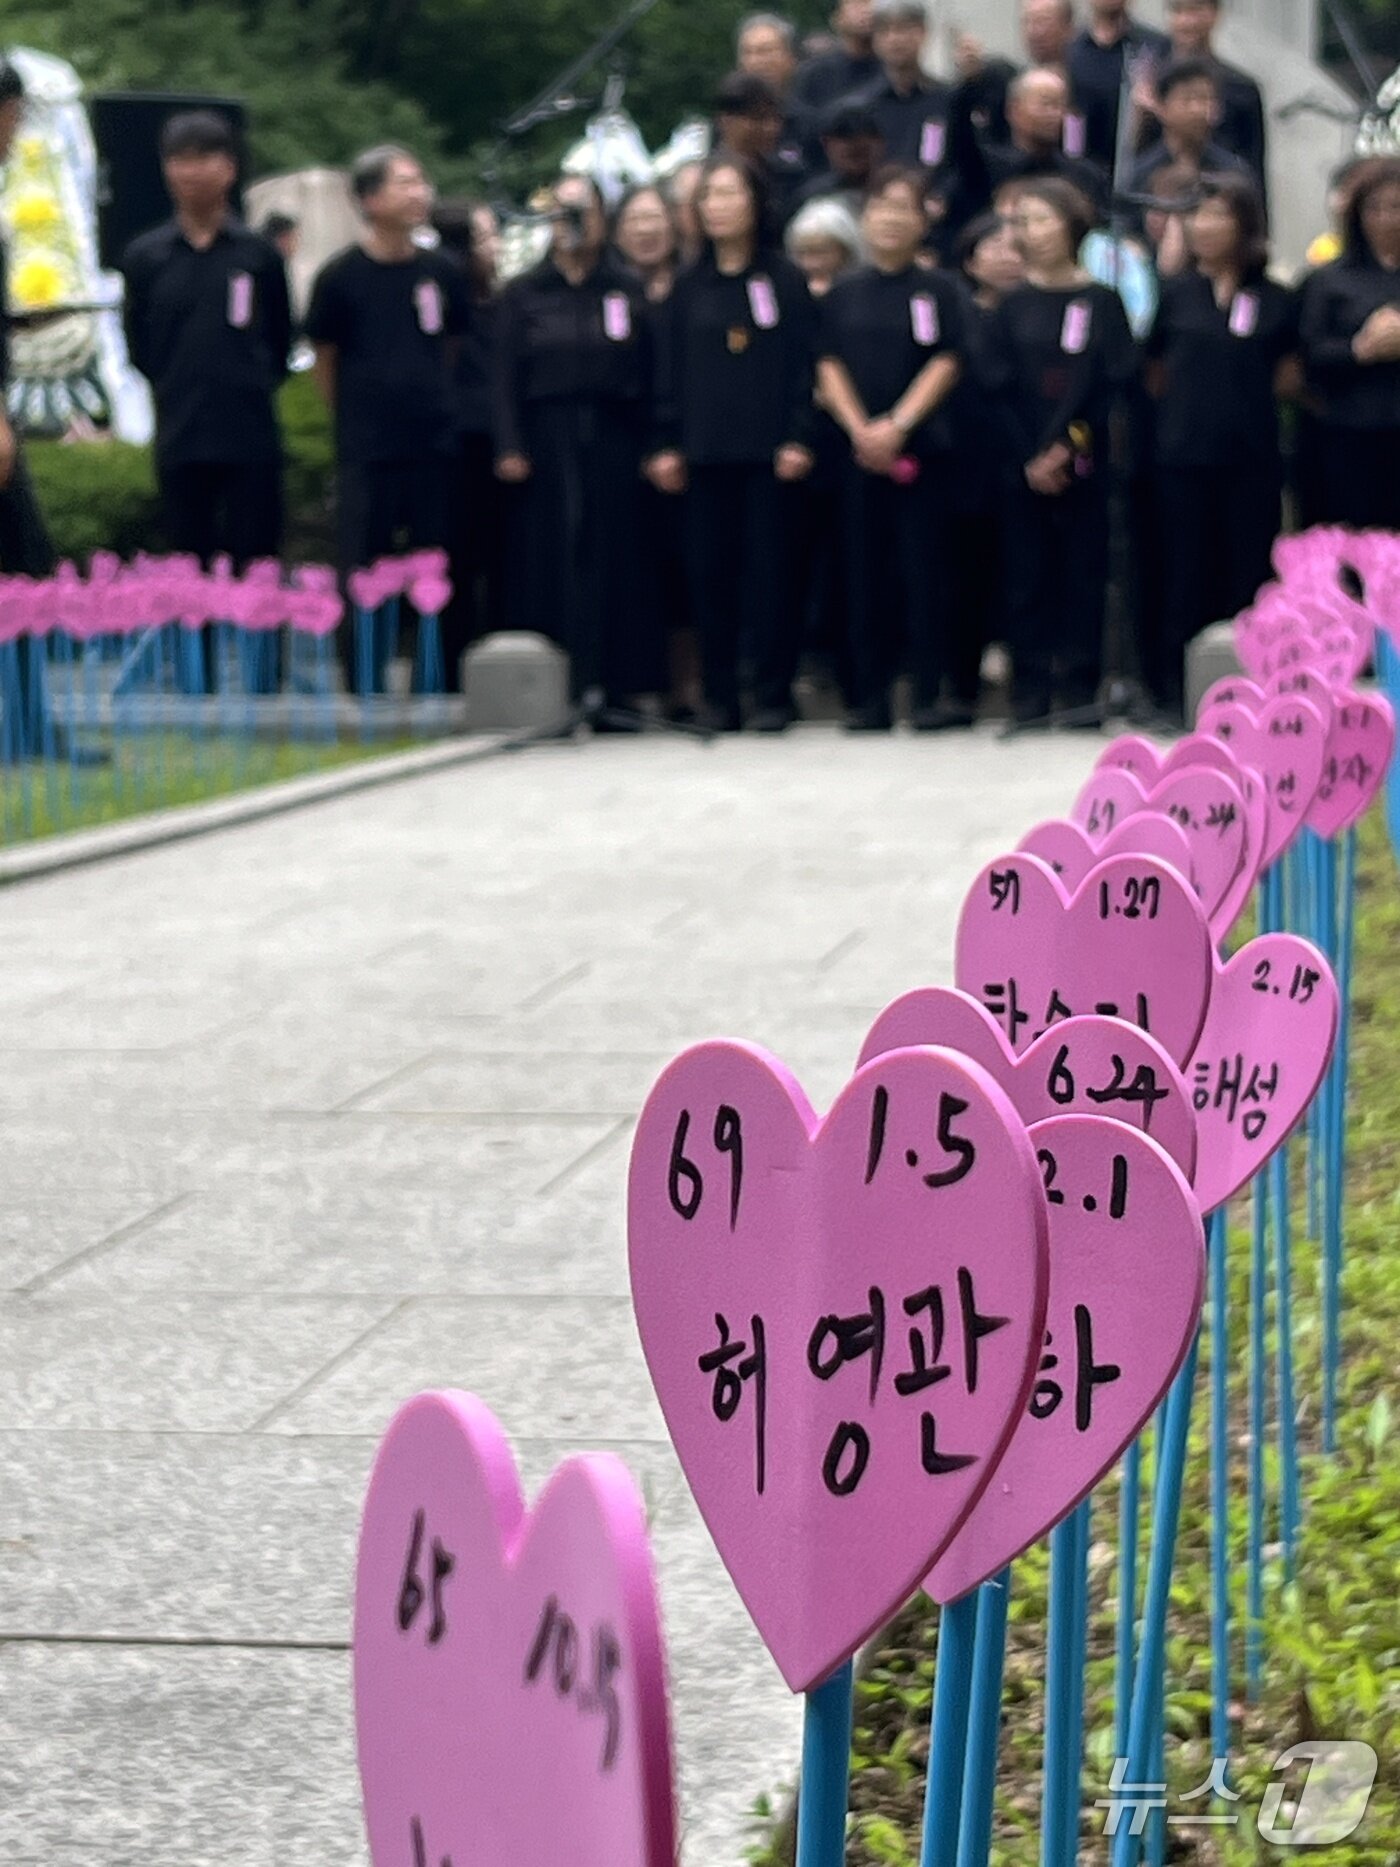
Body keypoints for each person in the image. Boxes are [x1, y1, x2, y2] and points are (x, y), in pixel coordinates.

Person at [122, 109, 291, 690]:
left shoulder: (257, 254)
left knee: (256, 553)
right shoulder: (146, 256)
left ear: (230, 168)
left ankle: (264, 673)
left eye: (204, 158)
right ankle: (196, 673)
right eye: (180, 159)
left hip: (249, 430)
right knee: (187, 554)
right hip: (181, 427)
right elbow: (140, 346)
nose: (192, 172)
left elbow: (279, 340)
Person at [649, 156, 816, 731]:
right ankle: (719, 696)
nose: (717, 206)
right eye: (709, 196)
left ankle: (773, 693)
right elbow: (667, 370)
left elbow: (806, 364)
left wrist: (800, 436)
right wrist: (665, 442)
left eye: (729, 193)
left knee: (774, 575)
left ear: (756, 201)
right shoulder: (686, 286)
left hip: (773, 455)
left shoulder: (784, 279)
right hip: (704, 454)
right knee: (709, 576)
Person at [304, 145, 471, 694]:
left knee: (436, 559)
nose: (419, 193)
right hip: (368, 445)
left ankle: (438, 674)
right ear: (369, 199)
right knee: (364, 561)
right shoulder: (340, 277)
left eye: (421, 182)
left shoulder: (441, 272)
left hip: (433, 441)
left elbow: (453, 345)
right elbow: (325, 359)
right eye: (405, 183)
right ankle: (363, 676)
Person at [493, 175, 657, 717]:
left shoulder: (625, 287)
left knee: (617, 551)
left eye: (583, 213)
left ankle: (618, 686)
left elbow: (650, 370)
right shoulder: (524, 293)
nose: (572, 226)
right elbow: (504, 376)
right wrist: (509, 444)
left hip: (615, 428)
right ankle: (557, 683)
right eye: (562, 214)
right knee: (554, 551)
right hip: (546, 432)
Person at [981, 178, 1138, 726]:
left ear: (1072, 225)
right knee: (1025, 577)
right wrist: (1031, 456)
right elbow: (996, 385)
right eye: (1023, 221)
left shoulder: (1101, 301)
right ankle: (1029, 690)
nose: (1033, 232)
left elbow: (1110, 383)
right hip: (1020, 463)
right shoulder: (1010, 305)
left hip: (1082, 461)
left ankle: (1078, 687)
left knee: (1083, 573)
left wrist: (1066, 448)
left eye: (1043, 219)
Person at [817, 166, 968, 729]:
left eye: (905, 207)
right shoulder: (841, 292)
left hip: (921, 450)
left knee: (925, 571)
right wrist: (861, 429)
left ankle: (929, 693)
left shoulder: (940, 290)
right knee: (862, 573)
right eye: (881, 206)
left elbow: (948, 359)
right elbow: (826, 361)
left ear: (924, 220)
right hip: (856, 454)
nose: (891, 219)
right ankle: (869, 697)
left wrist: (898, 425)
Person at [1144, 175, 1295, 719]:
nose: (1205, 227)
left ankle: (1249, 693)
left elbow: (1288, 375)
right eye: (1197, 216)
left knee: (1247, 573)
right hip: (1183, 455)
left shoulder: (1274, 298)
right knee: (1184, 572)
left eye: (1218, 215)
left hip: (1250, 457)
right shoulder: (1176, 294)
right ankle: (1173, 692)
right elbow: (1154, 370)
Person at [945, 212, 1026, 723]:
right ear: (970, 259)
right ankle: (961, 685)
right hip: (965, 460)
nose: (1005, 256)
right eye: (992, 246)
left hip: (1028, 458)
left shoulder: (1037, 309)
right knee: (964, 576)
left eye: (1015, 246)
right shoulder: (955, 311)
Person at [1298, 155, 1400, 531]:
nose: (1387, 219)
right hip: (1349, 434)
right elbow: (1310, 356)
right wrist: (1362, 349)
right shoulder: (1328, 280)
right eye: (1375, 208)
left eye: (1396, 207)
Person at [432, 197, 503, 674]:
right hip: (453, 440)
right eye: (484, 237)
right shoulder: (440, 291)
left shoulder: (502, 304)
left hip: (492, 440)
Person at [1150, 0, 1266, 188]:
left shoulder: (1241, 89)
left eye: (1195, 10)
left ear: (1215, 14)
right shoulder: (1150, 81)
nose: (1186, 21)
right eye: (1177, 10)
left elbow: (1254, 173)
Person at [1066, 0, 1169, 174]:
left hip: (1138, 164)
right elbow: (1071, 112)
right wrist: (1072, 160)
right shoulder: (1073, 47)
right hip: (1085, 164)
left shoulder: (1154, 46)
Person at [1129, 59, 1248, 201]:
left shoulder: (1233, 172)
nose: (1198, 109)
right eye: (1188, 99)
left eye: (1207, 99)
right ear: (1162, 106)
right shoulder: (1140, 173)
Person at [860, 0, 952, 171]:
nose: (894, 39)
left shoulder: (946, 99)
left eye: (903, 29)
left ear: (923, 33)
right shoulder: (863, 105)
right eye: (884, 30)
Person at [791, 0, 881, 159]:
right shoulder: (813, 75)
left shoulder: (896, 73)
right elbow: (801, 132)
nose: (866, 10)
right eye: (857, 3)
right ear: (837, 17)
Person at [712, 73, 807, 224]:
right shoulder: (704, 177)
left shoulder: (786, 175)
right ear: (726, 121)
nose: (771, 128)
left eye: (776, 118)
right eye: (758, 118)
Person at [789, 101, 885, 220]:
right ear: (826, 144)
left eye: (863, 151)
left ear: (880, 143)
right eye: (845, 137)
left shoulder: (895, 192)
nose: (856, 144)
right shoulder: (811, 198)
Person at [613, 183, 682, 301]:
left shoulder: (695, 286)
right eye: (633, 219)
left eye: (654, 217)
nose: (645, 229)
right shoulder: (607, 288)